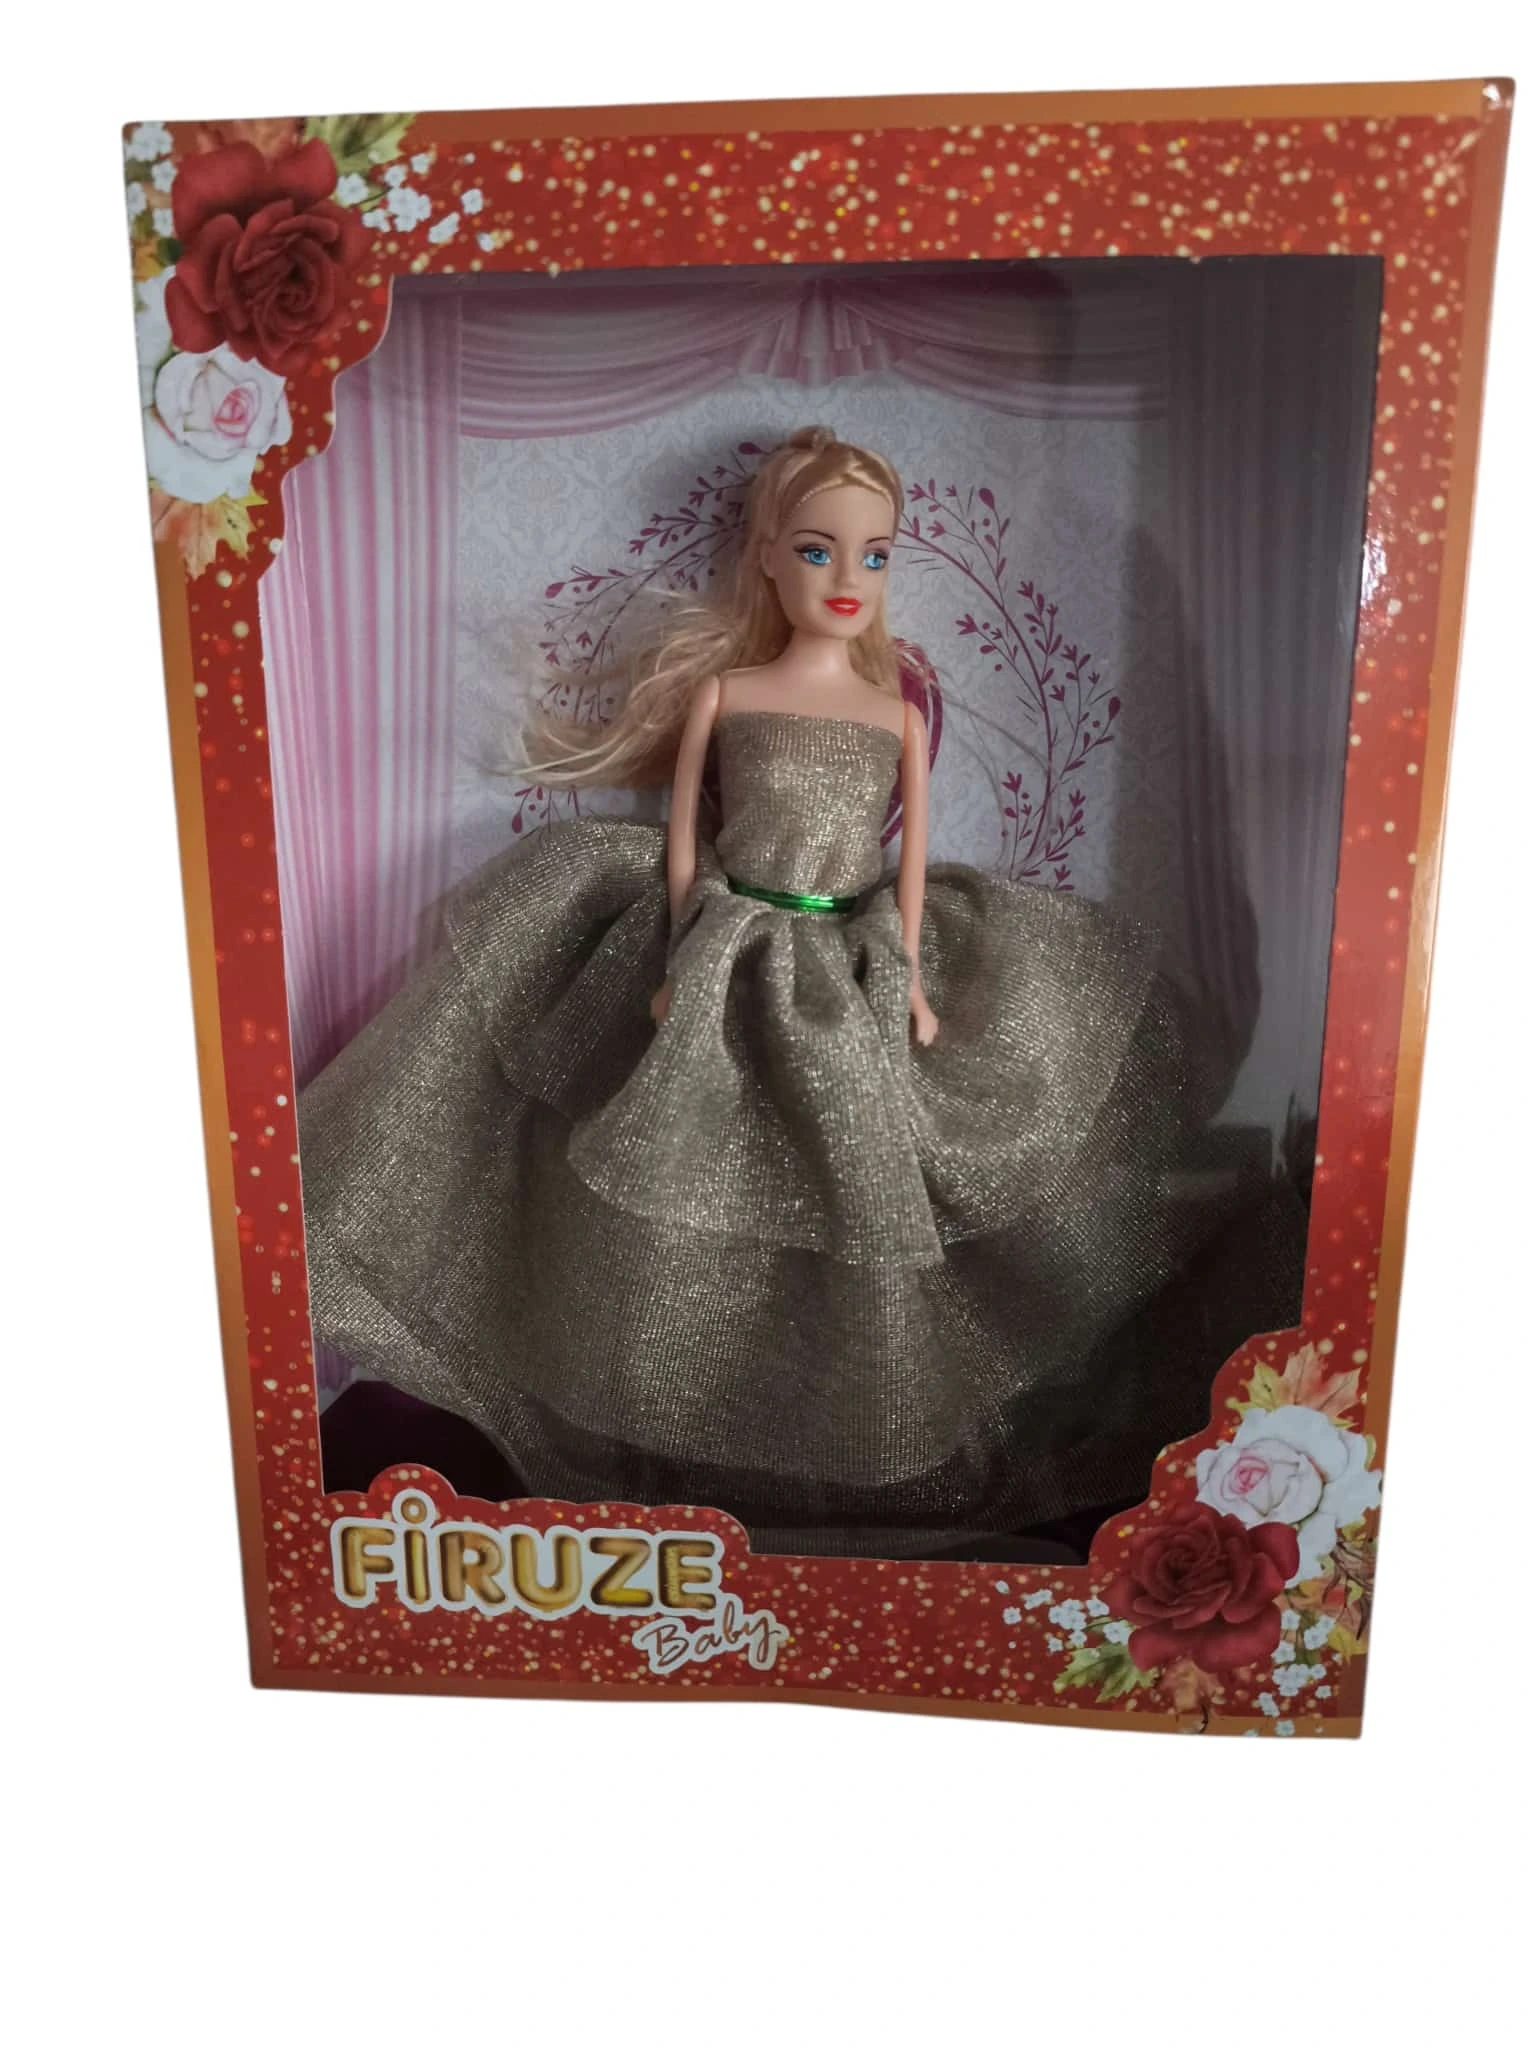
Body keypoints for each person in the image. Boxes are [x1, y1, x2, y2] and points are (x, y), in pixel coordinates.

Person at [299, 426, 1303, 1558]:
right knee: (681, 1194)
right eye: (819, 550)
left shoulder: (894, 712)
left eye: (874, 554)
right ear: (769, 556)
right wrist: (683, 950)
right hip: (728, 947)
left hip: (844, 966)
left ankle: (843, 1436)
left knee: (850, 1191)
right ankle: (661, 1433)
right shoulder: (727, 693)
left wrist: (910, 980)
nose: (846, 578)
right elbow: (686, 839)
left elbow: (905, 867)